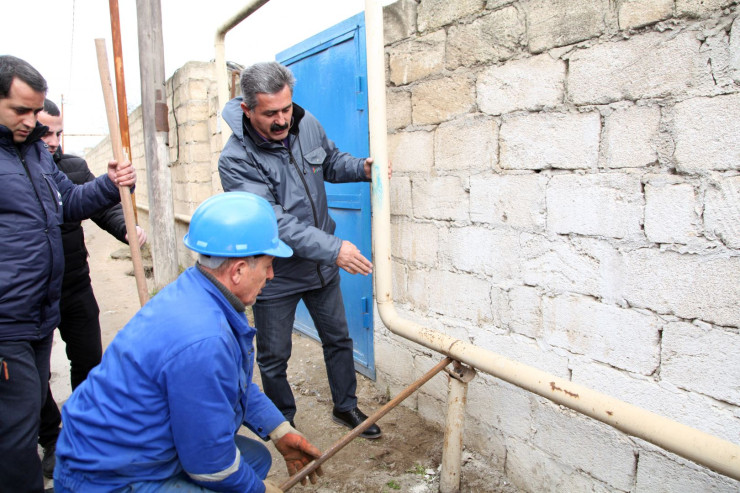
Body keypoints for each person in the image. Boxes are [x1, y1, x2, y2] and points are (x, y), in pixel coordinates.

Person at [54, 192, 323, 493]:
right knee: (239, 476)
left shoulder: (198, 291)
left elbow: (230, 383)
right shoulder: (204, 339)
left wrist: (279, 429)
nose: (271, 275)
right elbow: (211, 465)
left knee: (256, 459)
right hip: (108, 477)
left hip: (125, 449)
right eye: (268, 265)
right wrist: (257, 491)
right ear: (238, 271)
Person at [218, 61, 382, 439]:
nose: (282, 121)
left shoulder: (305, 124)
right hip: (275, 275)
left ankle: (346, 407)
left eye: (286, 109)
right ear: (247, 110)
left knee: (339, 339)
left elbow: (332, 161)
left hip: (321, 268)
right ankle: (284, 425)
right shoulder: (235, 159)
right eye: (270, 113)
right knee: (274, 357)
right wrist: (334, 248)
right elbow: (274, 221)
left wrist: (363, 168)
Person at [0, 55, 137, 493]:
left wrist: (110, 182)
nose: (30, 121)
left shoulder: (36, 151)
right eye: (20, 110)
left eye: (35, 110)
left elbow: (70, 203)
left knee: (27, 412)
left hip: (44, 309)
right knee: (16, 436)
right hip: (7, 321)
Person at [36, 99, 148, 479]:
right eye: (45, 131)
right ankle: (52, 437)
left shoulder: (70, 168)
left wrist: (126, 229)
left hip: (73, 284)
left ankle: (87, 430)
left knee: (87, 359)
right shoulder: (19, 170)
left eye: (58, 132)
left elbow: (98, 207)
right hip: (32, 294)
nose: (53, 140)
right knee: (34, 376)